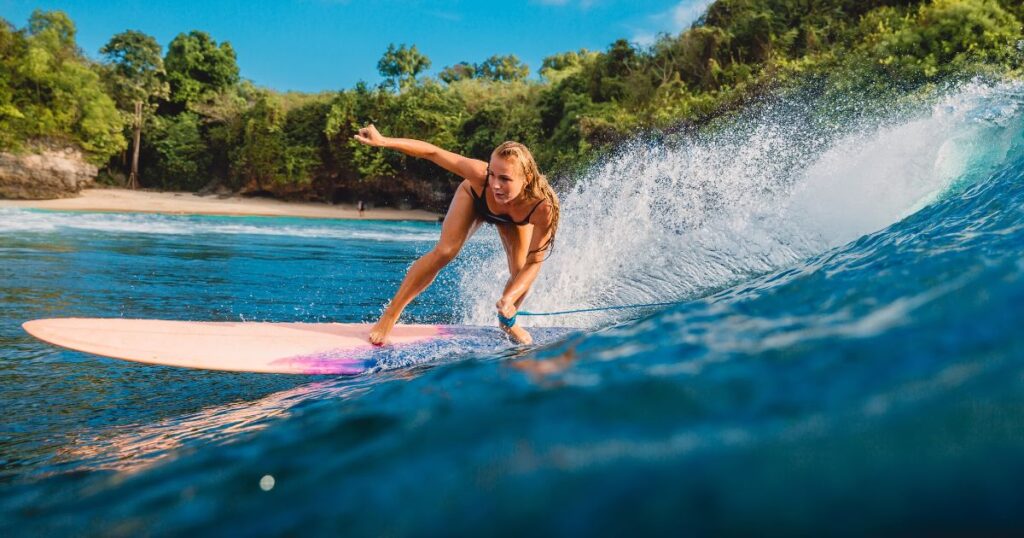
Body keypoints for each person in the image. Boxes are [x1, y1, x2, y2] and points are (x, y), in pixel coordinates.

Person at [353, 124, 560, 346]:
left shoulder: (542, 207)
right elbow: (433, 152)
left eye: (505, 179)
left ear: (526, 178)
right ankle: (390, 315)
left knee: (520, 273)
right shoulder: (479, 176)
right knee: (446, 251)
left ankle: (507, 321)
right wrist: (384, 141)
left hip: (514, 220)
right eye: (492, 174)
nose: (496, 185)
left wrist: (509, 299)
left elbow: (535, 262)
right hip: (475, 200)